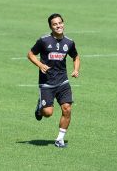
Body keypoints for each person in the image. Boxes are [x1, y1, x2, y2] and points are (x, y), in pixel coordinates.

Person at [27, 13, 80, 148]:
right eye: (55, 24)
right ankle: (40, 108)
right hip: (46, 83)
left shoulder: (69, 42)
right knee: (48, 113)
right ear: (51, 27)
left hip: (63, 82)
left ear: (63, 23)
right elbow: (30, 54)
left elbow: (76, 56)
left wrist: (76, 69)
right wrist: (40, 65)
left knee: (67, 109)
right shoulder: (44, 41)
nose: (58, 26)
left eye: (60, 23)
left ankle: (60, 139)